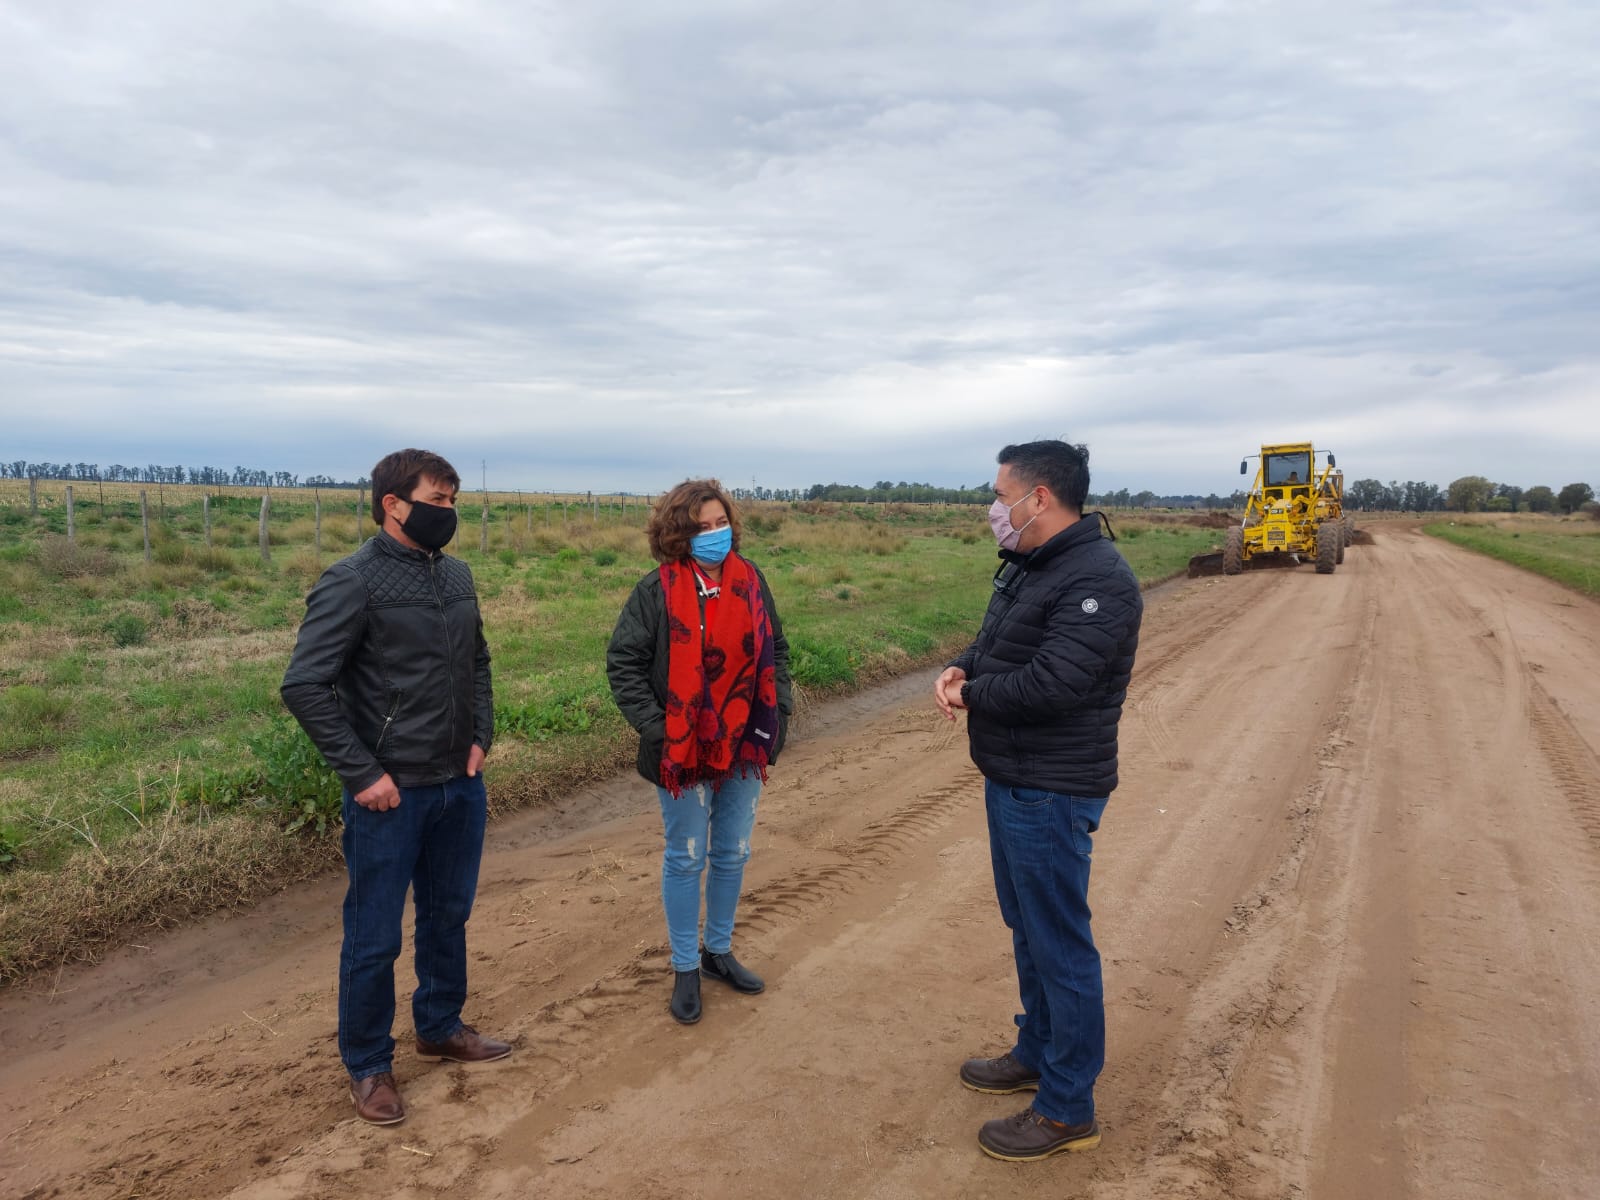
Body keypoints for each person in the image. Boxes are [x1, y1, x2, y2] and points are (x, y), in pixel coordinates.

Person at [281, 448, 509, 1127]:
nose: (450, 513)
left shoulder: (458, 576)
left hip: (457, 787)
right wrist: (362, 773)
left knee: (448, 916)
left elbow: (478, 664)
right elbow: (304, 685)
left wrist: (480, 735)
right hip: (391, 796)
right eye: (439, 500)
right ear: (394, 504)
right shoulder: (353, 581)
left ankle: (440, 1025)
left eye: (453, 500)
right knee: (375, 937)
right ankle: (368, 1065)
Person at [934, 440, 1143, 1162]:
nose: (996, 507)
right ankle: (1037, 1050)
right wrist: (964, 662)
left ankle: (1065, 1108)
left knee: (1060, 942)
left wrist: (972, 693)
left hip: (1052, 789)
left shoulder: (1099, 579)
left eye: (1002, 494)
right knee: (1028, 928)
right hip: (1014, 776)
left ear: (1041, 497)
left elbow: (1056, 683)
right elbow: (1004, 643)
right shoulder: (1037, 564)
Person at [606, 479, 793, 1025]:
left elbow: (775, 648)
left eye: (720, 523)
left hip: (743, 742)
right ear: (677, 535)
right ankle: (686, 966)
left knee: (732, 852)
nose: (714, 535)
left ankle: (718, 953)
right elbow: (624, 664)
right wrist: (661, 731)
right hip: (683, 751)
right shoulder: (656, 590)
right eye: (700, 527)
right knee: (686, 855)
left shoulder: (752, 580)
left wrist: (775, 710)